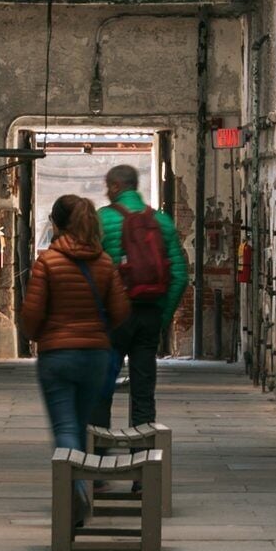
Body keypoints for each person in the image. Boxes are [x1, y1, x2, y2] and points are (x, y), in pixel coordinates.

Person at [20, 194, 129, 473]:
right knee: (82, 423)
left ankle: (76, 489)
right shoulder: (104, 262)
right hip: (95, 355)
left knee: (65, 426)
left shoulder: (47, 262)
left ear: (56, 223)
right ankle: (86, 480)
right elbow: (119, 311)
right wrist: (98, 332)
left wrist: (37, 335)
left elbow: (32, 314)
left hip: (57, 355)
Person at [96, 162, 188, 426]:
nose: (107, 193)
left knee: (102, 384)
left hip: (113, 315)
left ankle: (98, 446)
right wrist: (162, 315)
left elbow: (91, 271)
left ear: (115, 186)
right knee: (144, 386)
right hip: (149, 312)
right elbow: (180, 275)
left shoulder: (102, 219)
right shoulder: (160, 221)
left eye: (108, 188)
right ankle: (143, 445)